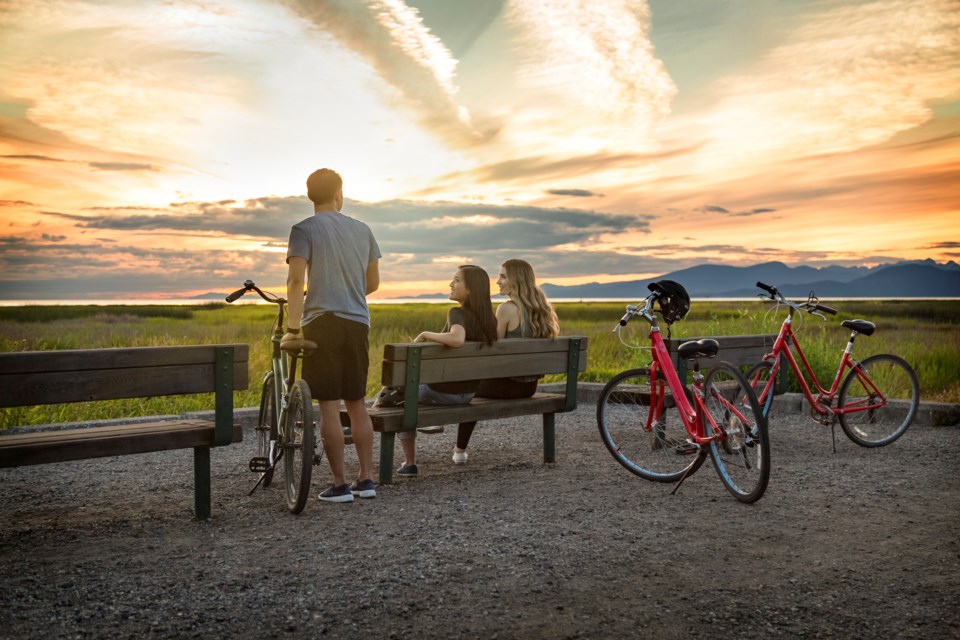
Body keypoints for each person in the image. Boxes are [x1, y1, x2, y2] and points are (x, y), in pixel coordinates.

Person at [283, 168, 380, 504]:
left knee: (328, 405)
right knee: (357, 403)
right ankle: (366, 480)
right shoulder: (363, 230)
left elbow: (295, 282)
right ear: (339, 192)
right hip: (357, 323)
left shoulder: (303, 229)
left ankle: (339, 485)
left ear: (310, 194)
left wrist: (293, 328)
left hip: (321, 322)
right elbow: (372, 285)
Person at [375, 265, 497, 477]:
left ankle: (409, 461)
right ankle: (426, 422)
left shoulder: (457, 313)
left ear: (470, 289)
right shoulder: (491, 320)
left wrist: (425, 334)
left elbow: (457, 339)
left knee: (394, 397)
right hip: (468, 394)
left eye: (457, 280)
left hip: (439, 393)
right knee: (405, 393)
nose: (451, 284)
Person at [453, 259, 560, 464]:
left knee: (468, 386)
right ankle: (458, 449)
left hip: (506, 386)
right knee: (473, 385)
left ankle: (459, 449)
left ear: (516, 280)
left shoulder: (506, 309)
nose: (498, 281)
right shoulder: (543, 310)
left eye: (503, 276)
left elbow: (494, 349)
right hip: (528, 387)